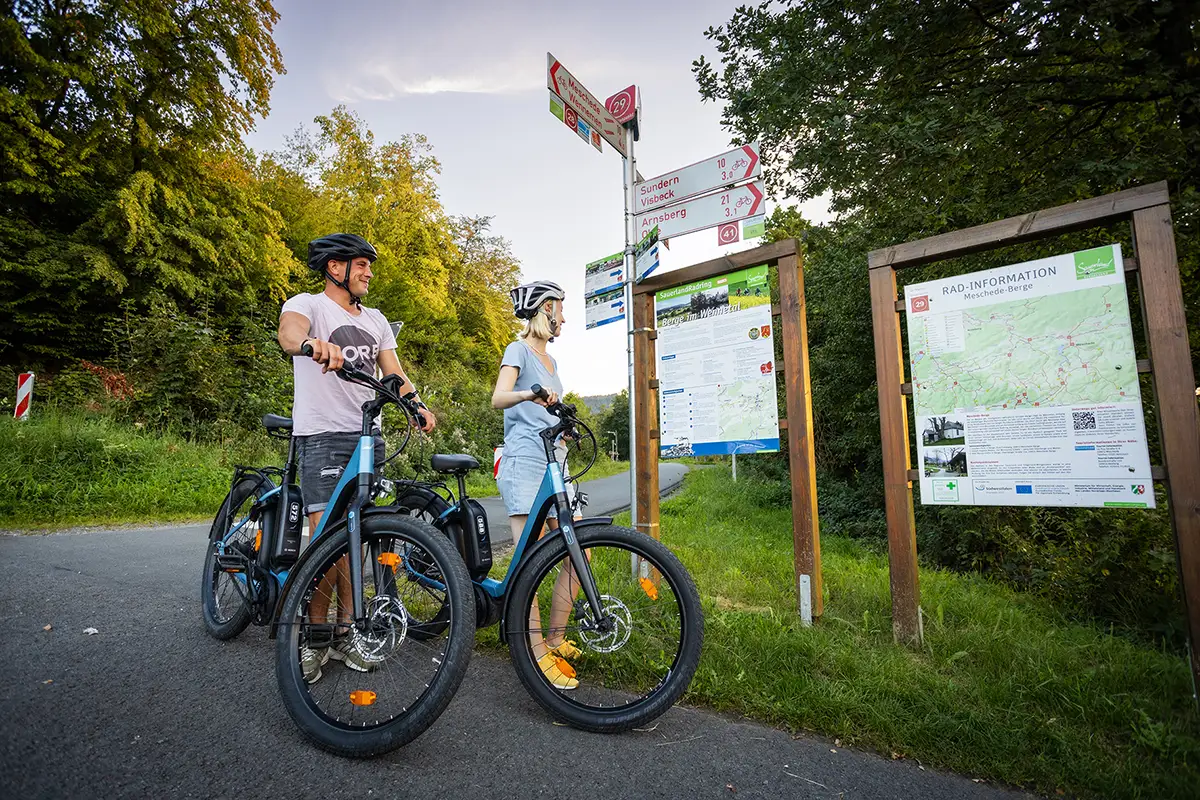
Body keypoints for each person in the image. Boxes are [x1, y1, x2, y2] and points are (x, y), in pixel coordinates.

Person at [277, 233, 436, 683]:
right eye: (361, 264)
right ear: (335, 268)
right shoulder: (309, 305)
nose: (369, 272)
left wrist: (416, 403)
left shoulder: (377, 319)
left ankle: (347, 633)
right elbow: (288, 333)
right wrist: (312, 345)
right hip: (324, 434)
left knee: (357, 537)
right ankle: (315, 636)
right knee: (326, 541)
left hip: (369, 436)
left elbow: (394, 372)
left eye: (369, 265)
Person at [491, 280, 583, 690]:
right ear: (544, 310)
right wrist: (530, 394)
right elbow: (499, 397)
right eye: (560, 309)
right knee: (528, 563)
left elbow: (547, 406)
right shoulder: (519, 350)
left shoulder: (553, 362)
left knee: (578, 552)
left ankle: (555, 638)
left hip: (554, 462)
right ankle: (534, 654)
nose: (564, 317)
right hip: (525, 461)